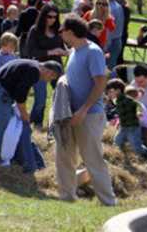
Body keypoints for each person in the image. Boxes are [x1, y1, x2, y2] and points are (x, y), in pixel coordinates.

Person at [56, 15, 116, 206]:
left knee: (93, 159)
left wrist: (83, 110)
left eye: (61, 30)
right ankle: (67, 198)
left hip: (89, 115)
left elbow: (100, 83)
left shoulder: (93, 51)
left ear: (70, 32)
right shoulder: (74, 51)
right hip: (68, 114)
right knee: (64, 157)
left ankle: (108, 202)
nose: (60, 34)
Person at [0, 59, 61, 173]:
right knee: (4, 127)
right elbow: (21, 95)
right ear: (47, 71)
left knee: (5, 126)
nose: (49, 80)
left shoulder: (32, 66)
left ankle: (3, 157)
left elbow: (19, 92)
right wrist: (24, 114)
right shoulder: (34, 71)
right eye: (51, 77)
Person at [25, 4, 68, 129]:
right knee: (41, 99)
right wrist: (50, 52)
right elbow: (30, 51)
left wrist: (66, 52)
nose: (52, 19)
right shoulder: (35, 30)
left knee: (62, 96)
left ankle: (58, 123)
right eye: (49, 16)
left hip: (57, 67)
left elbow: (64, 46)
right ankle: (36, 123)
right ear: (43, 16)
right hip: (40, 69)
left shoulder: (58, 31)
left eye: (55, 17)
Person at [105, 79, 147, 172]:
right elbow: (118, 110)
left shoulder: (126, 99)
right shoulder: (117, 100)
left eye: (110, 92)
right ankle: (122, 161)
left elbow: (137, 104)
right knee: (117, 142)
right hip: (124, 127)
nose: (109, 94)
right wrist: (110, 114)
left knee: (137, 147)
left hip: (133, 127)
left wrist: (138, 112)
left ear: (118, 90)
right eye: (108, 92)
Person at [114, 0, 131, 65]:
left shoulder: (121, 9)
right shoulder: (126, 8)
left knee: (117, 56)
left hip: (120, 34)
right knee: (119, 55)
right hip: (123, 33)